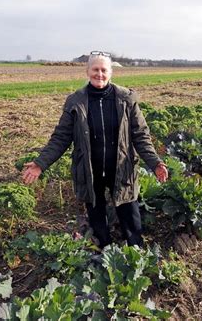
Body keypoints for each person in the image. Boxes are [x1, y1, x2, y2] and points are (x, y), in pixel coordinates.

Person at [22, 51, 168, 248]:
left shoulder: (126, 99)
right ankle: (104, 248)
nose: (100, 74)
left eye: (104, 70)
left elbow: (140, 135)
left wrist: (155, 163)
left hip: (121, 168)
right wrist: (40, 164)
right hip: (90, 170)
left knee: (129, 210)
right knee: (96, 211)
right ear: (87, 71)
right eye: (95, 70)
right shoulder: (75, 101)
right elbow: (61, 137)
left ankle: (136, 249)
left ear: (110, 72)